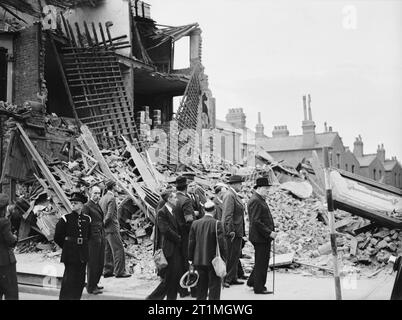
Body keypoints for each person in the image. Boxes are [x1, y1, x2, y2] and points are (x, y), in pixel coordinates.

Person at [54, 192, 91, 300]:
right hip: (70, 254)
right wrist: (67, 247)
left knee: (80, 281)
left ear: (81, 205)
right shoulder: (65, 218)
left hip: (82, 254)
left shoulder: (87, 219)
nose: (73, 204)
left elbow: (88, 236)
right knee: (69, 280)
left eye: (76, 203)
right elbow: (57, 237)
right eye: (72, 203)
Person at [146, 191, 183, 300]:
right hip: (168, 249)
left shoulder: (173, 211)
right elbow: (165, 230)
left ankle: (171, 298)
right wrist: (178, 238)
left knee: (174, 277)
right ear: (169, 199)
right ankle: (152, 298)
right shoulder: (162, 212)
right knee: (169, 278)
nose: (177, 199)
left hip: (175, 248)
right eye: (175, 198)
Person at [188, 201, 226, 300]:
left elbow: (191, 242)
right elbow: (222, 244)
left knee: (201, 287)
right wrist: (224, 258)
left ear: (204, 210)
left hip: (198, 260)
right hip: (213, 260)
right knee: (214, 287)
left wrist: (190, 258)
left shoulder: (195, 223)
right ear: (214, 210)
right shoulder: (217, 223)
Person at [246, 177, 276, 294]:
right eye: (266, 188)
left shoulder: (259, 199)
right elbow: (256, 221)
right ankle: (259, 287)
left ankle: (252, 281)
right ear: (259, 188)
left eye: (268, 188)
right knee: (262, 262)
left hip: (261, 237)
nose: (268, 190)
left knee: (260, 260)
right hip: (260, 238)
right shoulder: (256, 201)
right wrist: (269, 232)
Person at [99, 180, 131, 278]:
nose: (118, 188)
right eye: (116, 186)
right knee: (118, 250)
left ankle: (107, 271)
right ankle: (120, 272)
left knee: (107, 250)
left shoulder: (102, 198)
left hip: (105, 229)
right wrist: (104, 223)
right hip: (112, 228)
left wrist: (101, 225)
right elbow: (109, 214)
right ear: (113, 187)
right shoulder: (111, 198)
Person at [173, 176, 196, 297]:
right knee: (191, 262)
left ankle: (182, 291)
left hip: (176, 236)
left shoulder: (172, 199)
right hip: (186, 236)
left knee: (181, 263)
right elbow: (189, 220)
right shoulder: (186, 200)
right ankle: (194, 290)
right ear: (186, 187)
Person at [221, 175, 246, 288]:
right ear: (234, 184)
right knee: (230, 256)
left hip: (237, 230)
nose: (241, 186)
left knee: (235, 255)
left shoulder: (234, 195)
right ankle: (226, 278)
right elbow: (227, 215)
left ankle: (233, 277)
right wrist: (230, 231)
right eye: (240, 183)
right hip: (232, 232)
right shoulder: (230, 195)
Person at [82, 186, 105, 295]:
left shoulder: (97, 205)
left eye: (99, 193)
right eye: (95, 193)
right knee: (92, 263)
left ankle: (95, 283)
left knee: (100, 262)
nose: (97, 195)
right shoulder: (87, 206)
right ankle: (90, 287)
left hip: (100, 237)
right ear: (90, 193)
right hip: (92, 239)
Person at [0, 193, 18, 300]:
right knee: (11, 292)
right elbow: (10, 241)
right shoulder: (4, 222)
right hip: (5, 262)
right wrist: (15, 237)